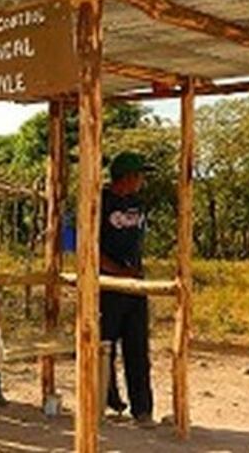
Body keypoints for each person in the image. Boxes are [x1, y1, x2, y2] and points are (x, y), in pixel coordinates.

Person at [99, 151, 156, 427]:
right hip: (106, 287)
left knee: (137, 349)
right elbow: (83, 246)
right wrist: (118, 272)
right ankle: (105, 402)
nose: (142, 180)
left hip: (135, 287)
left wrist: (133, 274)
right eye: (140, 175)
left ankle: (142, 409)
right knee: (102, 349)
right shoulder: (98, 202)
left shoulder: (138, 203)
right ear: (128, 177)